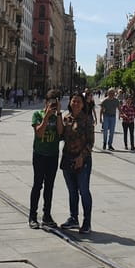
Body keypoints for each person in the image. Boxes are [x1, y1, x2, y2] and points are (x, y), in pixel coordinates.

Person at [29, 90, 63, 229]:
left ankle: (47, 215)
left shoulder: (57, 117)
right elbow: (39, 133)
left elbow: (60, 133)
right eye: (51, 103)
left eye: (55, 104)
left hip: (53, 155)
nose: (53, 106)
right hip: (40, 154)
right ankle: (32, 216)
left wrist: (59, 114)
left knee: (49, 186)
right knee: (38, 185)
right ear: (46, 102)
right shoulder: (37, 114)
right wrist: (47, 117)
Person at [60, 92, 94, 234]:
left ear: (83, 104)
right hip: (68, 157)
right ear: (70, 102)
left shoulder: (86, 120)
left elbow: (90, 142)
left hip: (83, 159)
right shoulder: (66, 118)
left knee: (84, 190)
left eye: (79, 101)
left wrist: (82, 156)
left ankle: (87, 221)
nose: (76, 103)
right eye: (74, 101)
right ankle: (73, 218)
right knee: (72, 190)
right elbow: (61, 135)